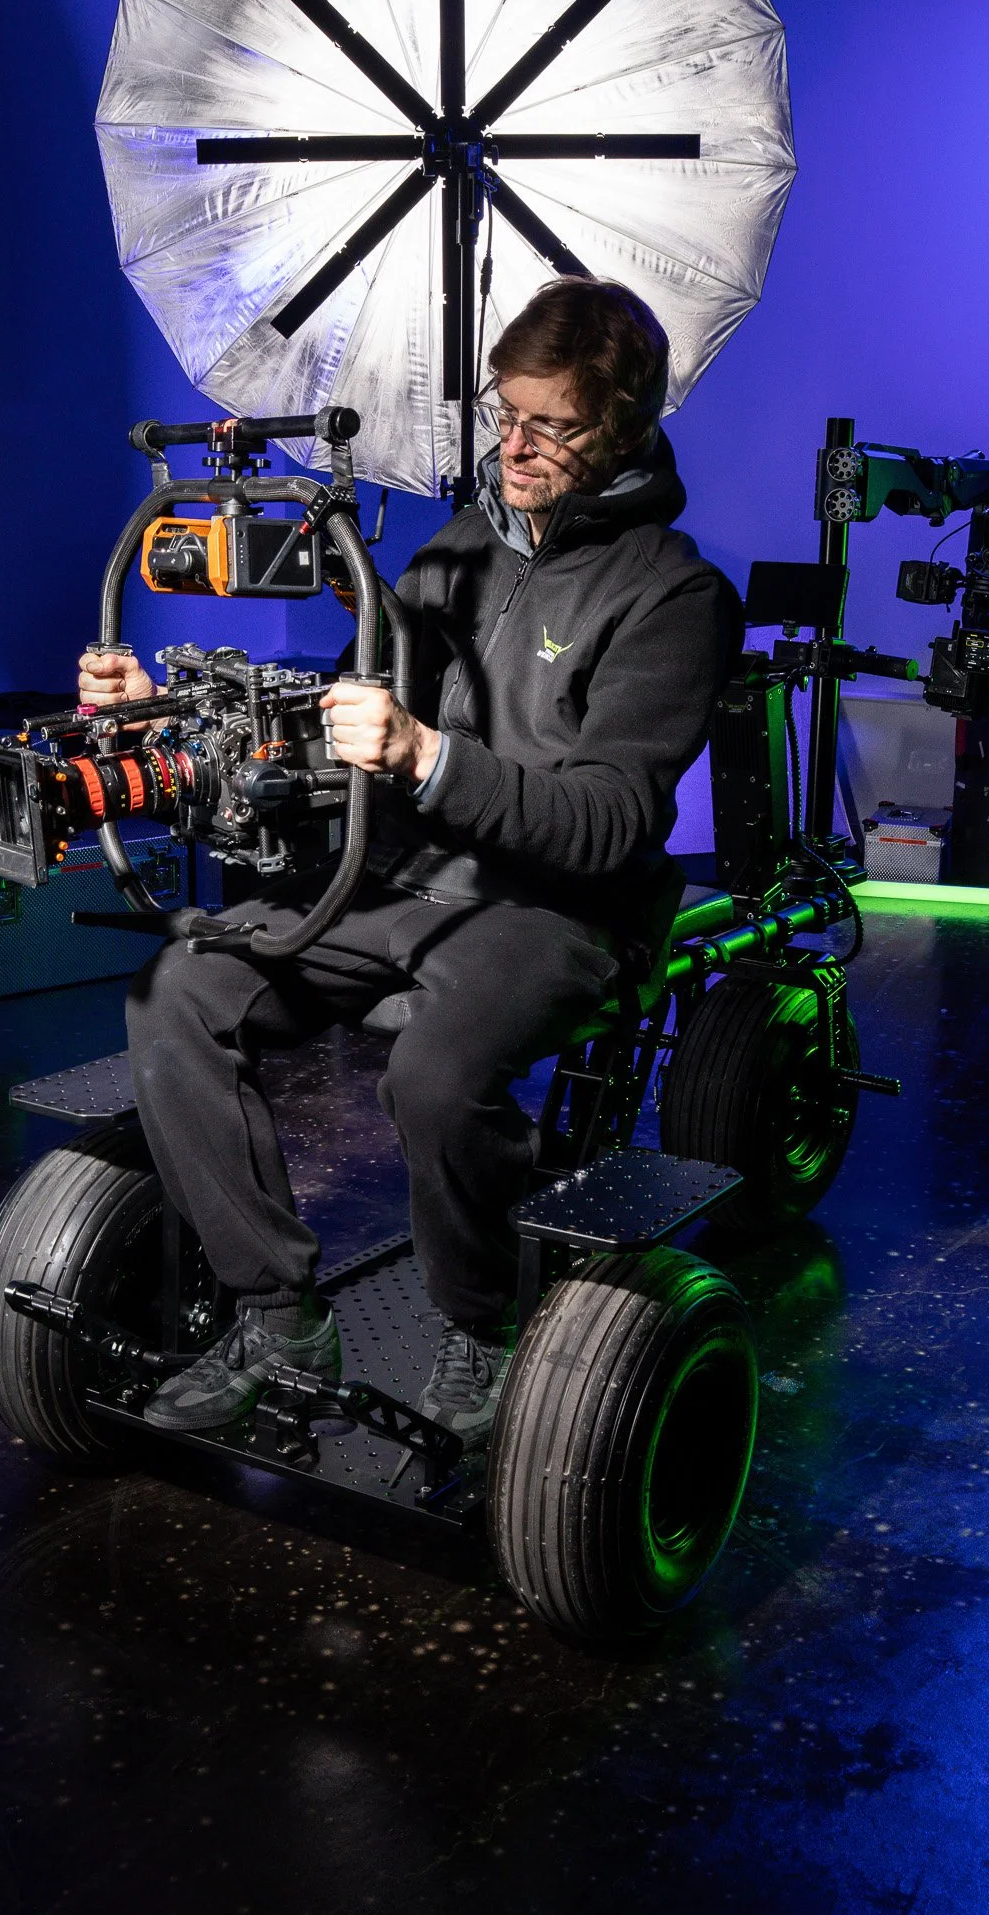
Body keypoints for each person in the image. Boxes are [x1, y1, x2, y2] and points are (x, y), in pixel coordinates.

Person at [78, 277, 741, 1446]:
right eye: (505, 414)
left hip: (556, 911)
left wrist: (429, 755)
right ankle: (279, 1320)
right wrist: (161, 713)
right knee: (179, 992)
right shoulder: (457, 551)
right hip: (395, 881)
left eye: (552, 425)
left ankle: (481, 1323)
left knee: (436, 1075)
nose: (515, 447)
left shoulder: (675, 595)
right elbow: (336, 715)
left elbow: (608, 820)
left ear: (624, 426)